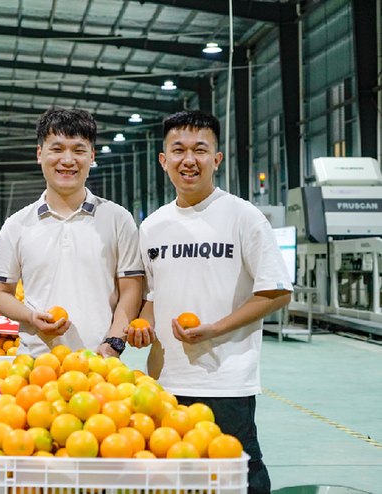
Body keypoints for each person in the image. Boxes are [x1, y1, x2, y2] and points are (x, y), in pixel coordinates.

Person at [125, 110, 292, 494]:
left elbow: (277, 290)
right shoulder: (151, 226)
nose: (189, 159)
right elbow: (153, 296)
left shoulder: (243, 217)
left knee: (239, 476)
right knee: (175, 478)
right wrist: (143, 325)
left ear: (216, 159)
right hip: (165, 380)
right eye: (178, 149)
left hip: (226, 381)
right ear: (163, 160)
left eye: (200, 150)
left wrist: (215, 329)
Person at [0, 106, 143, 358]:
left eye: (79, 150)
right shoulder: (16, 225)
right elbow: (1, 293)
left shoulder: (118, 219)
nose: (68, 160)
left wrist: (113, 343)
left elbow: (131, 290)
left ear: (92, 157)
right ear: (39, 154)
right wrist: (30, 316)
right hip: (35, 365)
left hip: (100, 361)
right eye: (57, 149)